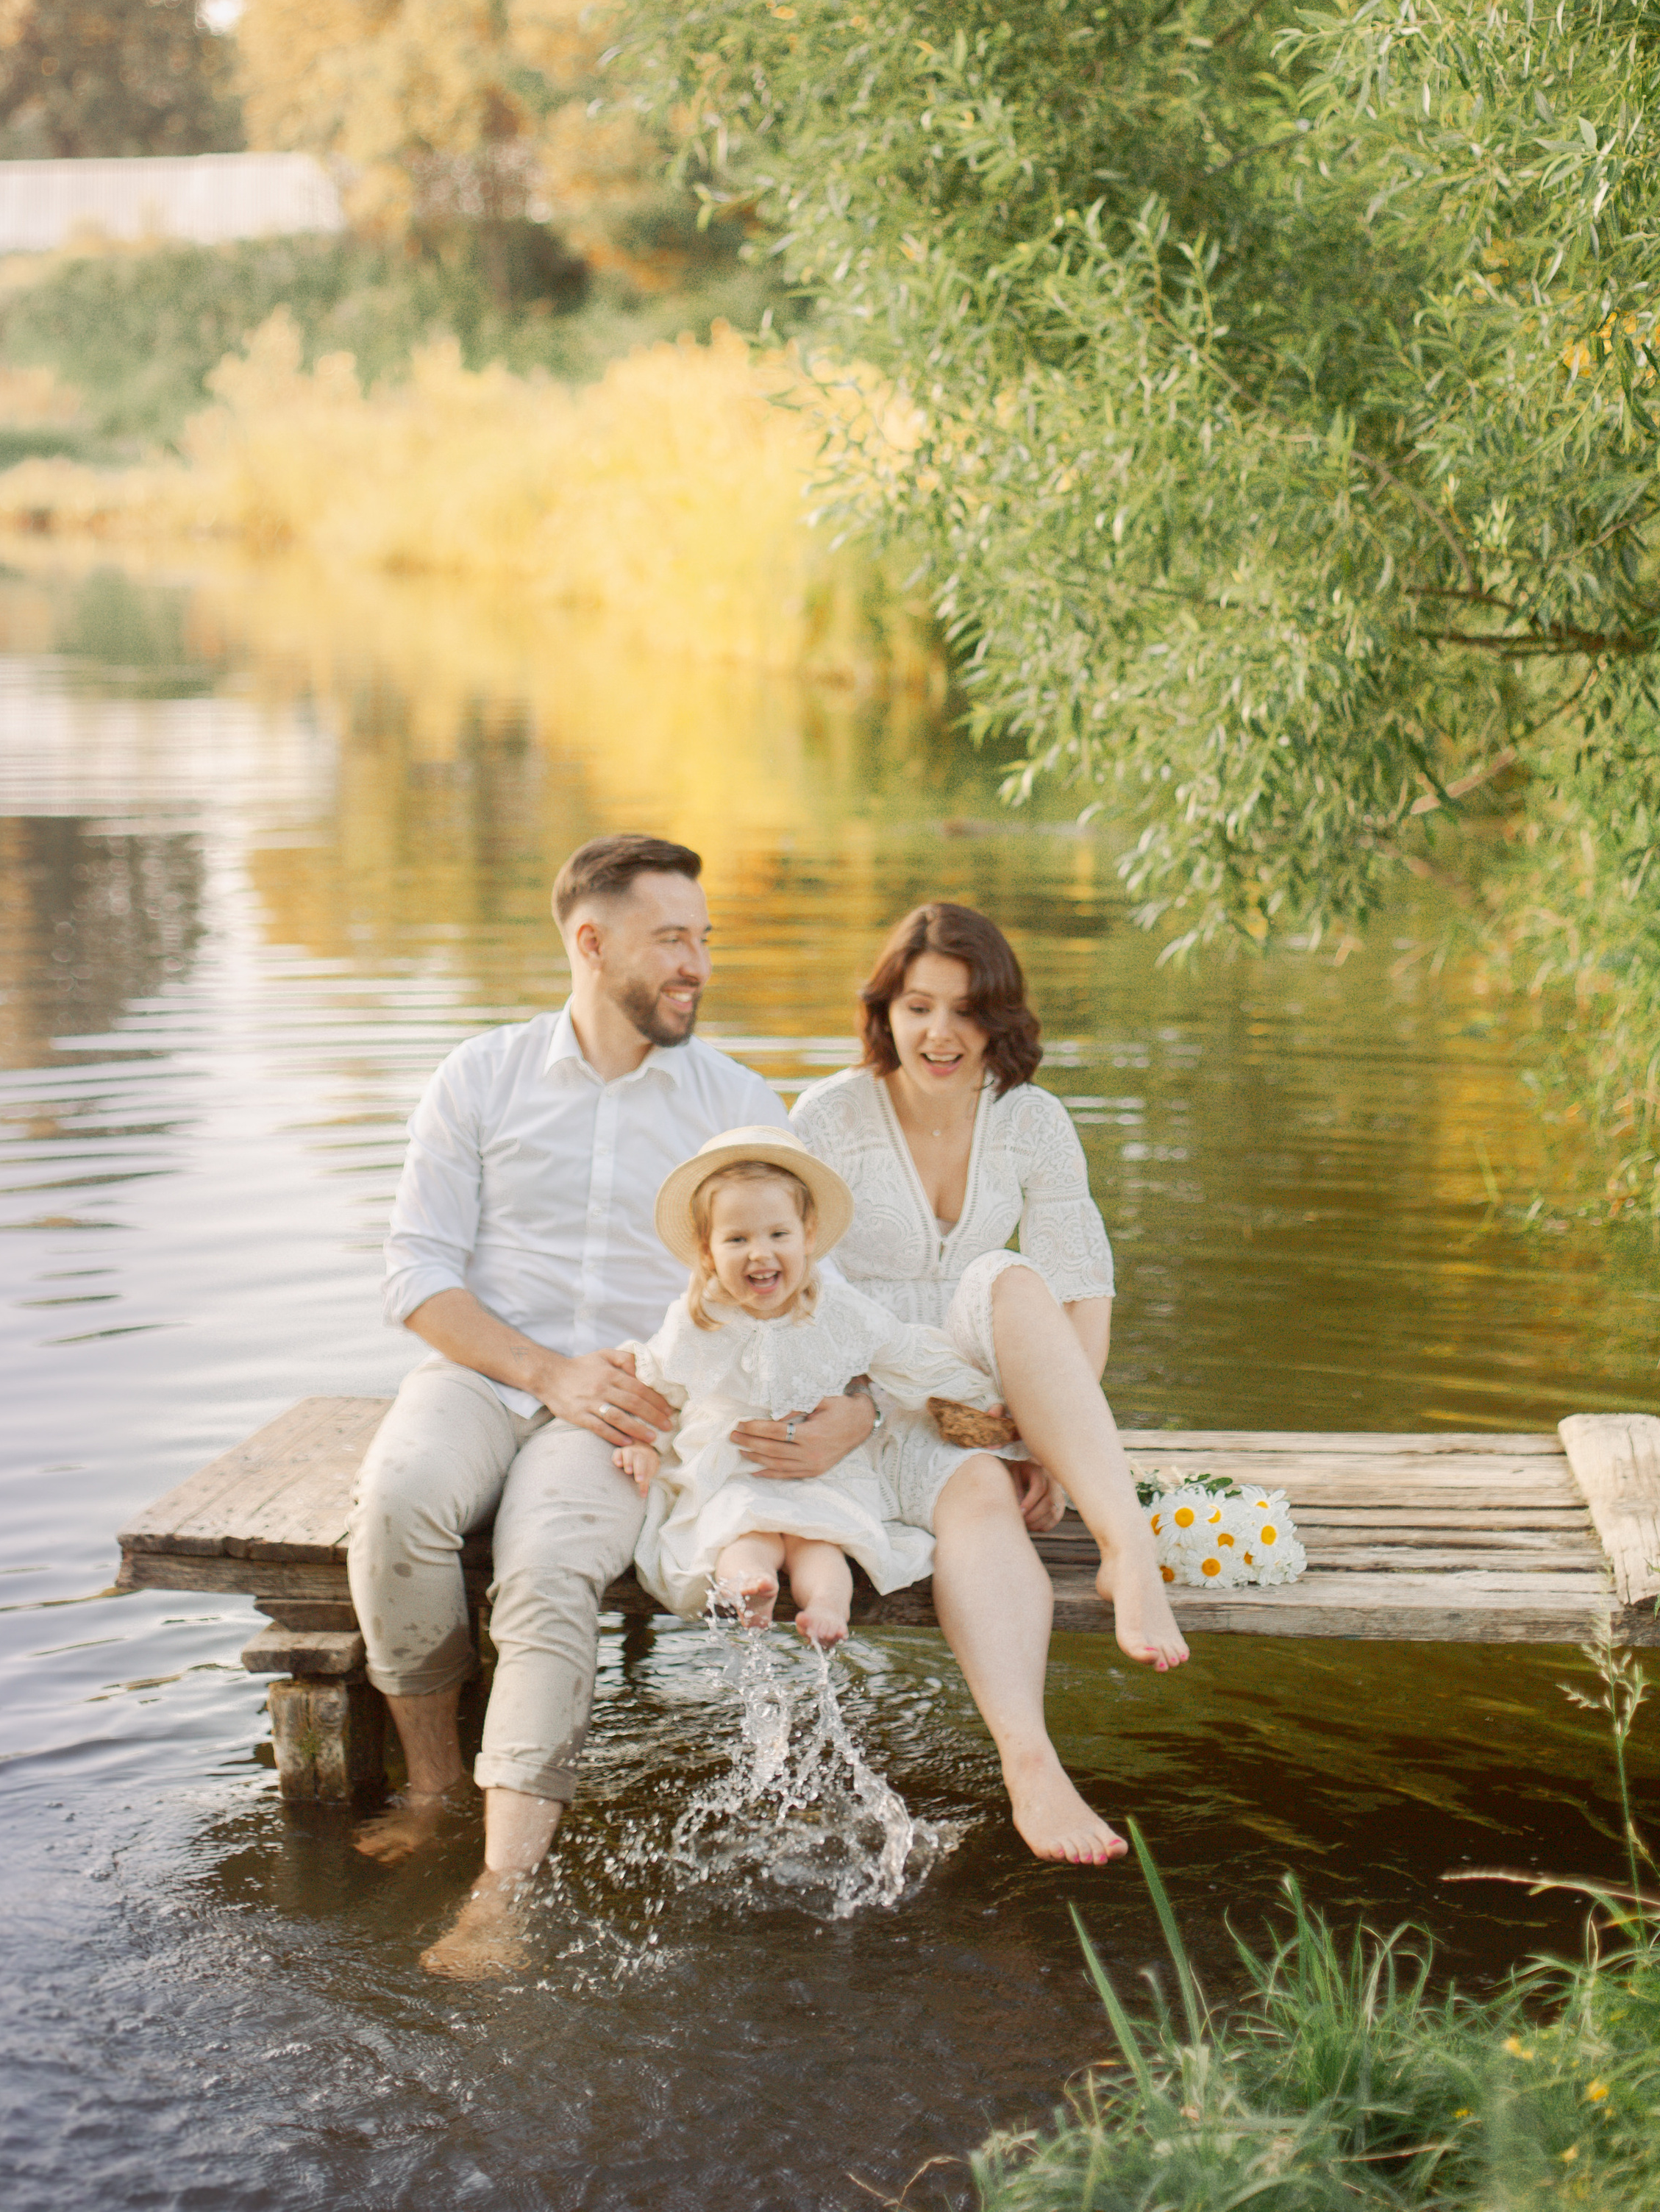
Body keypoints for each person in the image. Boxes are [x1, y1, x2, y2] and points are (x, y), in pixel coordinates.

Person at [346, 832, 877, 1977]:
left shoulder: (737, 1100)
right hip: (487, 1373)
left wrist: (853, 1408)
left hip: (641, 1405)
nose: (697, 964)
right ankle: (437, 1787)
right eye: (671, 940)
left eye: (703, 940)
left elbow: (801, 1287)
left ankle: (502, 1893)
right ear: (590, 944)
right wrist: (544, 1374)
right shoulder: (478, 1078)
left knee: (546, 1570)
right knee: (395, 1501)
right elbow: (415, 1277)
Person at [788, 901, 1186, 1868]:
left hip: (981, 1386)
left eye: (966, 1012)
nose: (940, 1034)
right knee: (975, 1495)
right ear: (884, 1011)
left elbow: (1080, 1299)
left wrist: (1043, 1438)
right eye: (918, 1006)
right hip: (864, 1392)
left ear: (998, 1020)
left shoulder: (1032, 1121)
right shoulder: (829, 1117)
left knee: (1009, 1278)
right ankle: (1031, 1764)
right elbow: (794, 1298)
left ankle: (1124, 1548)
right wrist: (886, 1411)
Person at [612, 1128, 998, 1646]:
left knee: (821, 1542)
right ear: (707, 1252)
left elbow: (911, 1360)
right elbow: (658, 1391)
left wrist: (982, 1396)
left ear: (808, 1236)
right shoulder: (695, 1323)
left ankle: (826, 1609)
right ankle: (753, 1586)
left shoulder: (840, 1314)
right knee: (739, 1532)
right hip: (731, 1472)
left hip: (821, 1474)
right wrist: (640, 1443)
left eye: (777, 1234)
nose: (759, 1254)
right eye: (737, 1239)